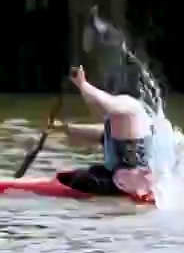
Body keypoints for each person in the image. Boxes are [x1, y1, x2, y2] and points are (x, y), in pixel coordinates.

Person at [54, 65, 155, 198]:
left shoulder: (129, 105)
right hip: (121, 178)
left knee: (82, 181)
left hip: (133, 185)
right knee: (73, 176)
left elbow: (106, 103)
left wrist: (82, 84)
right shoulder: (123, 119)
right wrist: (65, 128)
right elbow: (102, 135)